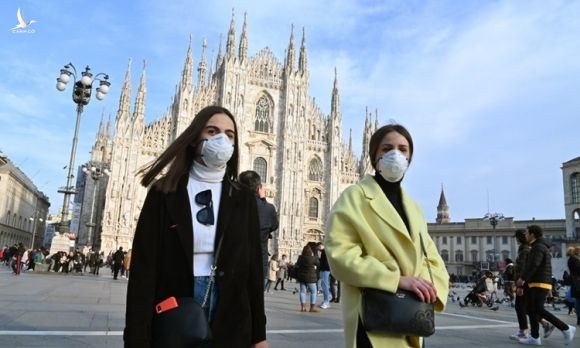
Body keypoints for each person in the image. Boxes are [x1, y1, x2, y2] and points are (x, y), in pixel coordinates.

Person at [124, 105, 267, 348]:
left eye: (229, 135)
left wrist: (259, 335)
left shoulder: (242, 198)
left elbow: (253, 267)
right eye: (212, 131)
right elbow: (144, 270)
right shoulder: (164, 192)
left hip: (231, 311)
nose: (221, 139)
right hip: (177, 306)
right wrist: (136, 338)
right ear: (194, 138)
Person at [326, 123, 449, 348]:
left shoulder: (414, 207)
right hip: (374, 316)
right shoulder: (355, 196)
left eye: (403, 149)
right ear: (374, 155)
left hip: (412, 314)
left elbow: (433, 259)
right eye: (387, 148)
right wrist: (397, 280)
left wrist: (429, 287)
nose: (396, 154)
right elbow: (340, 255)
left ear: (410, 158)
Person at [515, 225, 576, 345]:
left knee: (537, 309)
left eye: (527, 233)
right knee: (532, 310)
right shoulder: (538, 246)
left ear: (532, 234)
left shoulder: (537, 247)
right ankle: (534, 337)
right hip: (537, 282)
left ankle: (566, 328)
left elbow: (534, 265)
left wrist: (523, 278)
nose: (525, 235)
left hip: (540, 282)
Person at [238, 170, 279, 285]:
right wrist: (263, 200)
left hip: (236, 259)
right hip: (258, 260)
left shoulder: (232, 204)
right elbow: (274, 225)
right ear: (259, 188)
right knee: (255, 298)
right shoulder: (268, 209)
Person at [510, 229, 531, 341]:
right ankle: (545, 324)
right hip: (523, 281)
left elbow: (522, 268)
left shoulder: (524, 250)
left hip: (522, 282)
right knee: (526, 307)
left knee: (520, 306)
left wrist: (519, 284)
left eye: (517, 238)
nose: (517, 240)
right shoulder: (524, 249)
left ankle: (523, 331)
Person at [295, 244, 320, 313]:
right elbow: (318, 264)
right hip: (311, 278)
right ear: (310, 251)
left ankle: (303, 307)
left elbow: (297, 265)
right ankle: (312, 307)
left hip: (302, 277)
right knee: (314, 292)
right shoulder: (313, 258)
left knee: (303, 292)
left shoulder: (300, 257)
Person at [568, 246, 580, 326]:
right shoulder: (574, 259)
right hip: (577, 283)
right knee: (578, 301)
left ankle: (579, 318)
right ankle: (579, 318)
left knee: (578, 300)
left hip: (576, 282)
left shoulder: (573, 259)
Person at [318, 243, 331, 309]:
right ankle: (326, 300)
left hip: (325, 270)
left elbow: (326, 262)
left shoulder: (326, 251)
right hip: (323, 269)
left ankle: (326, 301)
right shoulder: (323, 252)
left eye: (319, 246)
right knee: (323, 285)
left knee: (325, 285)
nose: (318, 247)